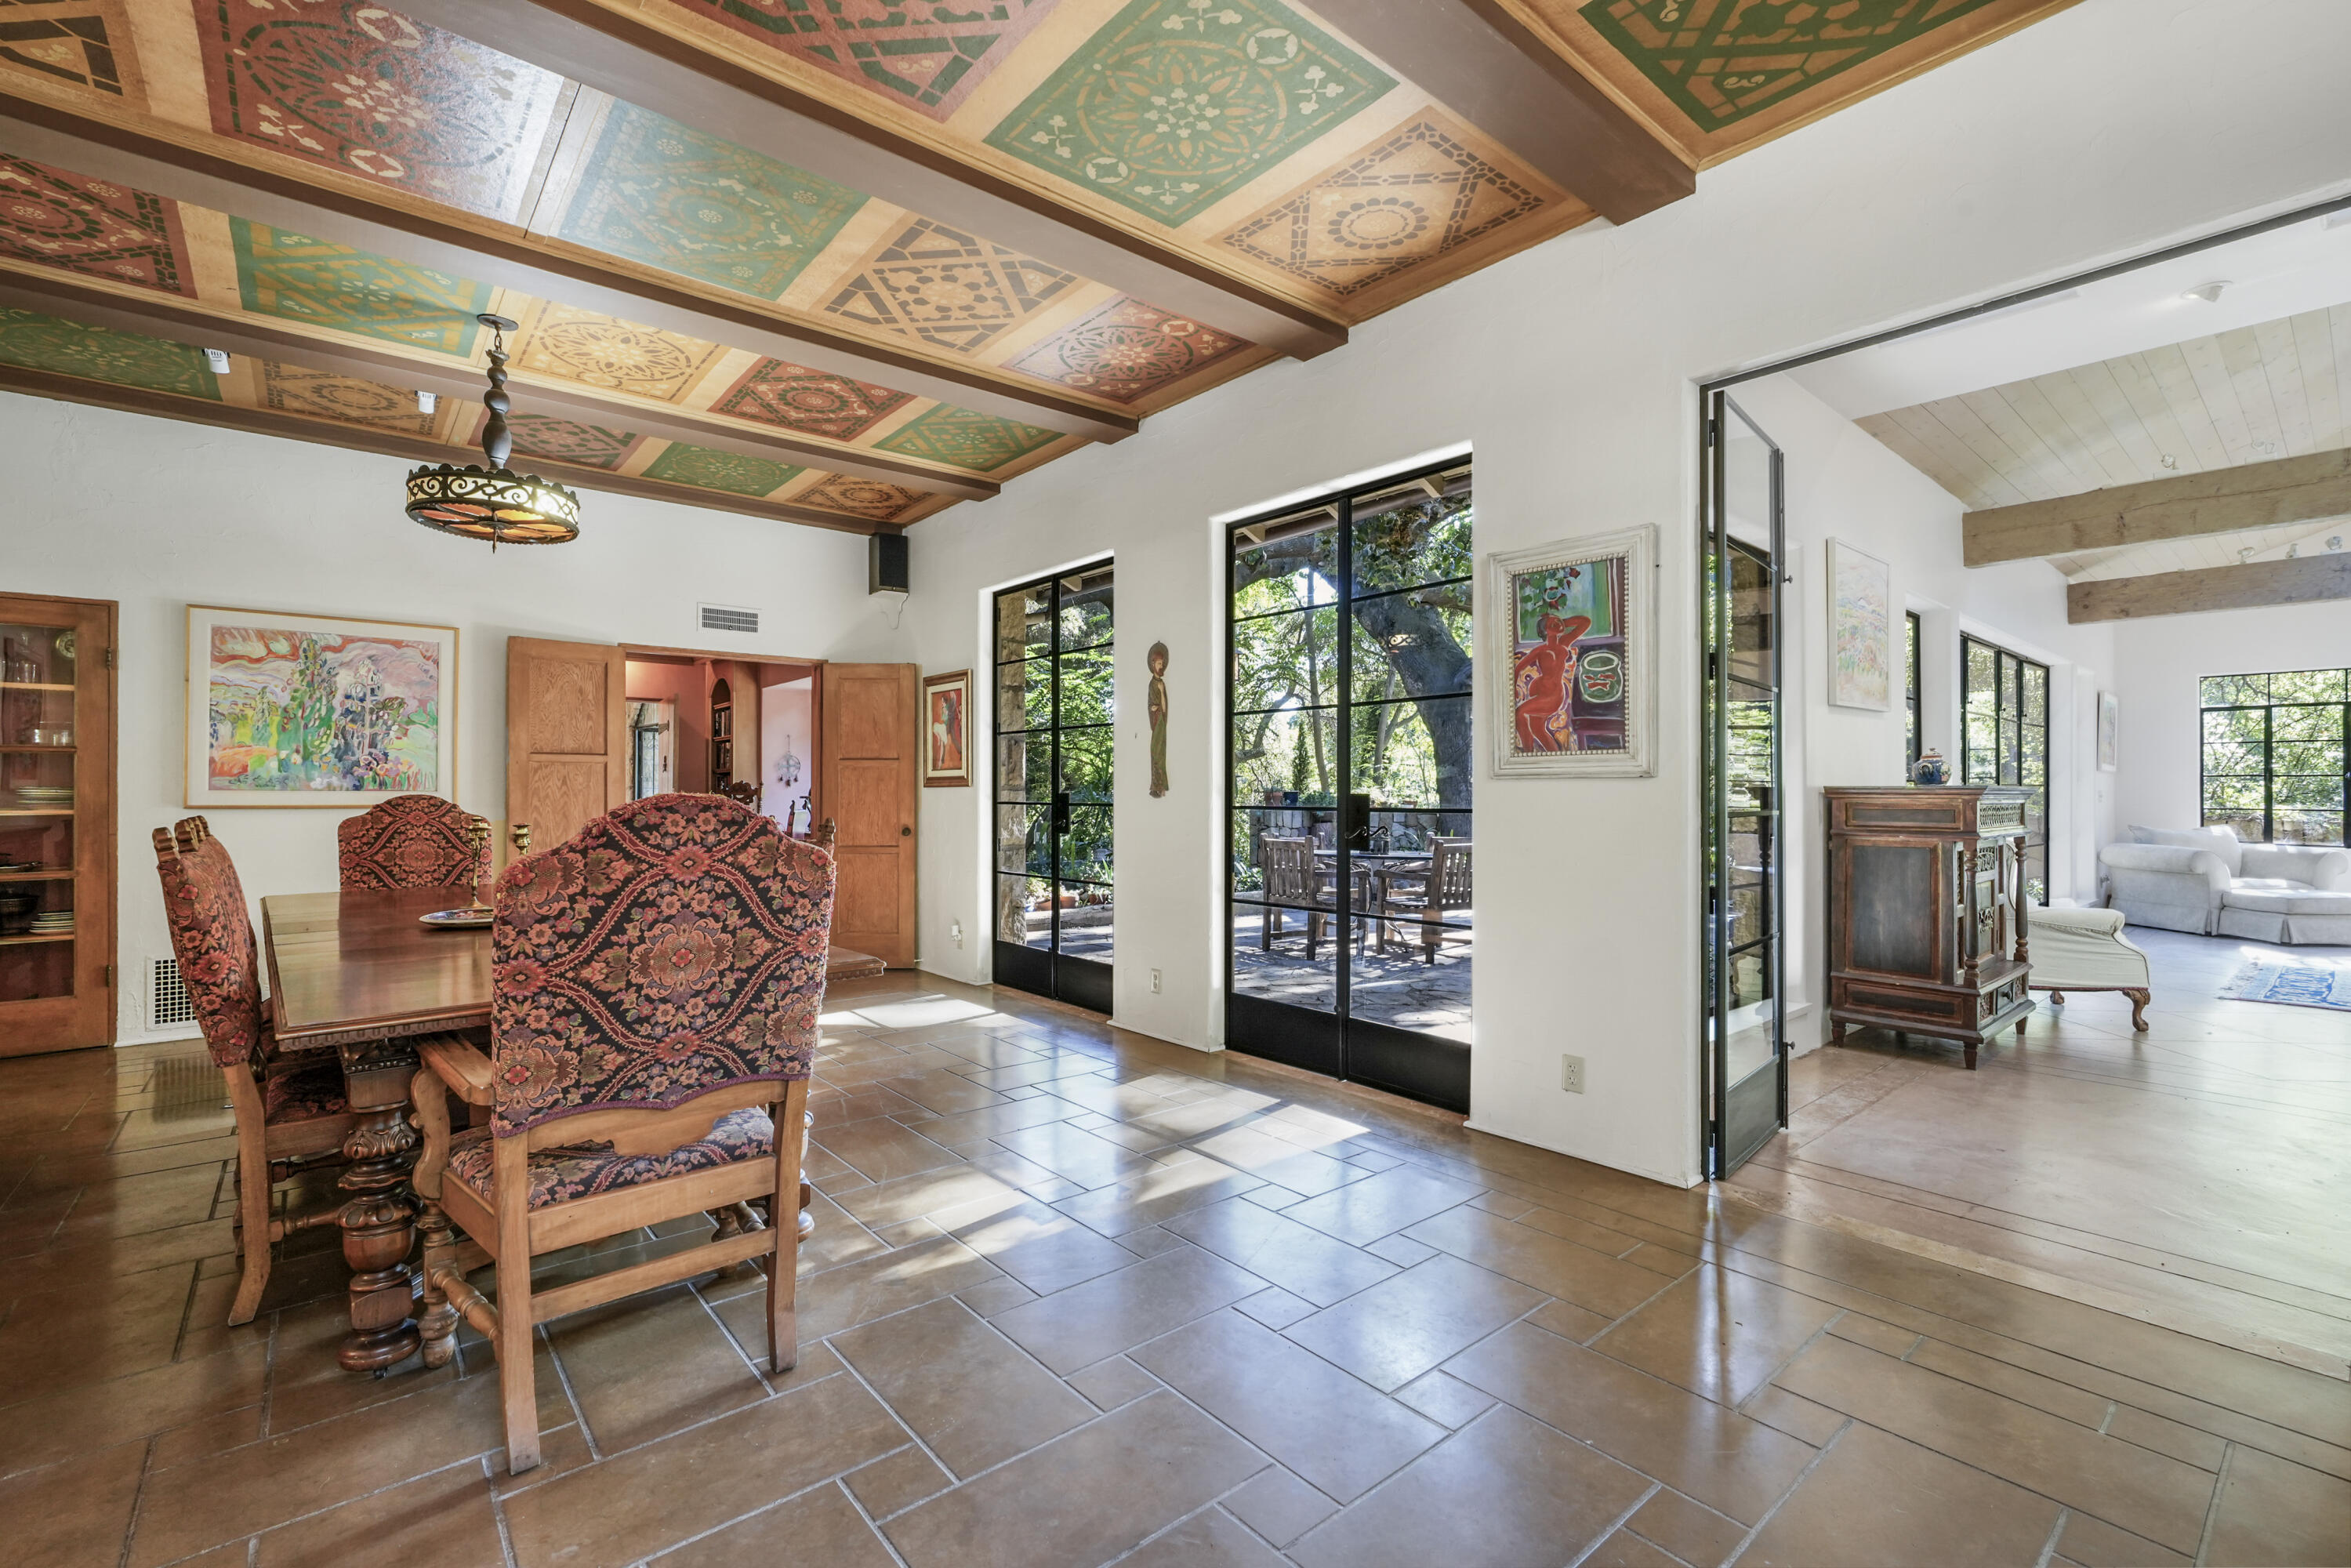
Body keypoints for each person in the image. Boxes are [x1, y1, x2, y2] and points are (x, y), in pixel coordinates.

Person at [1512, 613, 1591, 753]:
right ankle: (1554, 755)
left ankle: (1527, 753)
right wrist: (1512, 689)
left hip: (1553, 697)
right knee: (1538, 730)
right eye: (1554, 624)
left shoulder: (1564, 642)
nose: (1559, 625)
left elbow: (1585, 622)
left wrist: (1561, 622)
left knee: (1519, 713)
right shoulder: (1540, 650)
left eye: (1559, 622)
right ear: (1545, 631)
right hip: (1541, 693)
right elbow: (1518, 668)